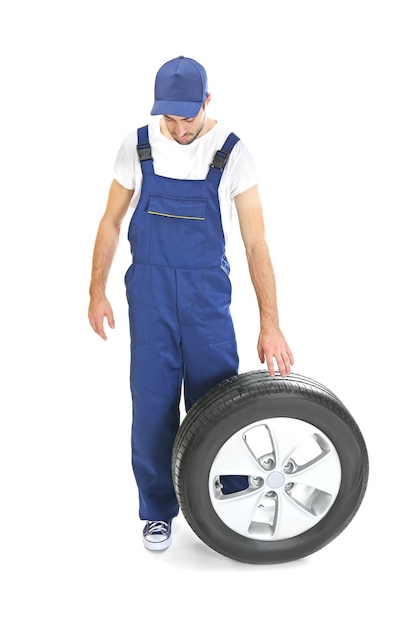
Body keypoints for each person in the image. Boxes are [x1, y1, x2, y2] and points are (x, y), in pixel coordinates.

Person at [88, 55, 294, 552]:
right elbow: (112, 221)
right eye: (170, 117)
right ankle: (158, 511)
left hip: (205, 297)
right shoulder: (138, 145)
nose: (179, 128)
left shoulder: (232, 152)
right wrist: (96, 290)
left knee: (218, 399)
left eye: (188, 116)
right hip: (150, 293)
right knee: (153, 404)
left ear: (207, 101)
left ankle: (228, 493)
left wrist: (271, 324)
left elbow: (255, 242)